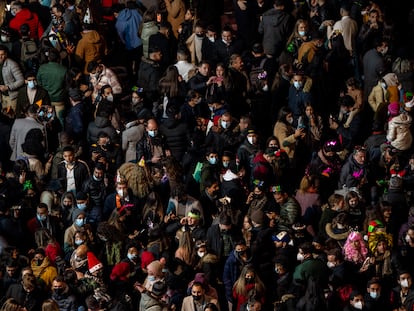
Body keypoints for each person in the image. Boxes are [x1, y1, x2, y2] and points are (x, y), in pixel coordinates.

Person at [0, 45, 24, 117]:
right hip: (3, 97)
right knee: (5, 117)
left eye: (2, 54)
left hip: (12, 97)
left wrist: (8, 87)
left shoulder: (12, 64)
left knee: (12, 117)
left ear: (6, 54)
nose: (0, 57)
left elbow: (21, 80)